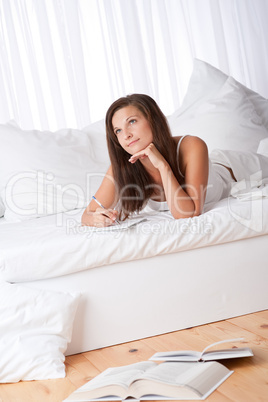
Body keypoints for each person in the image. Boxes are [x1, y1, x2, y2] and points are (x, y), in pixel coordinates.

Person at [82, 93, 268, 227]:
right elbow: (86, 215)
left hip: (236, 170)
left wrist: (163, 166)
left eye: (132, 122)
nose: (126, 135)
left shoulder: (192, 146)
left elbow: (189, 213)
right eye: (118, 131)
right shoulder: (121, 168)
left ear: (153, 120)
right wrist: (97, 219)